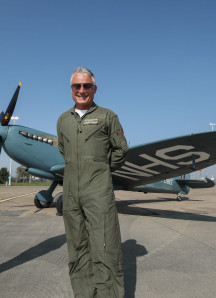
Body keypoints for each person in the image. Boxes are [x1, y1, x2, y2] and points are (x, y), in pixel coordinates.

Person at [57, 67, 129, 297]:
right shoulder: (63, 120)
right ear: (71, 90)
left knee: (105, 247)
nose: (81, 90)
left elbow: (121, 150)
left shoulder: (108, 116)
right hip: (70, 194)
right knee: (77, 248)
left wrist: (100, 170)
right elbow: (63, 150)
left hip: (98, 192)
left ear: (94, 89)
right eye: (76, 86)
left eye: (86, 86)